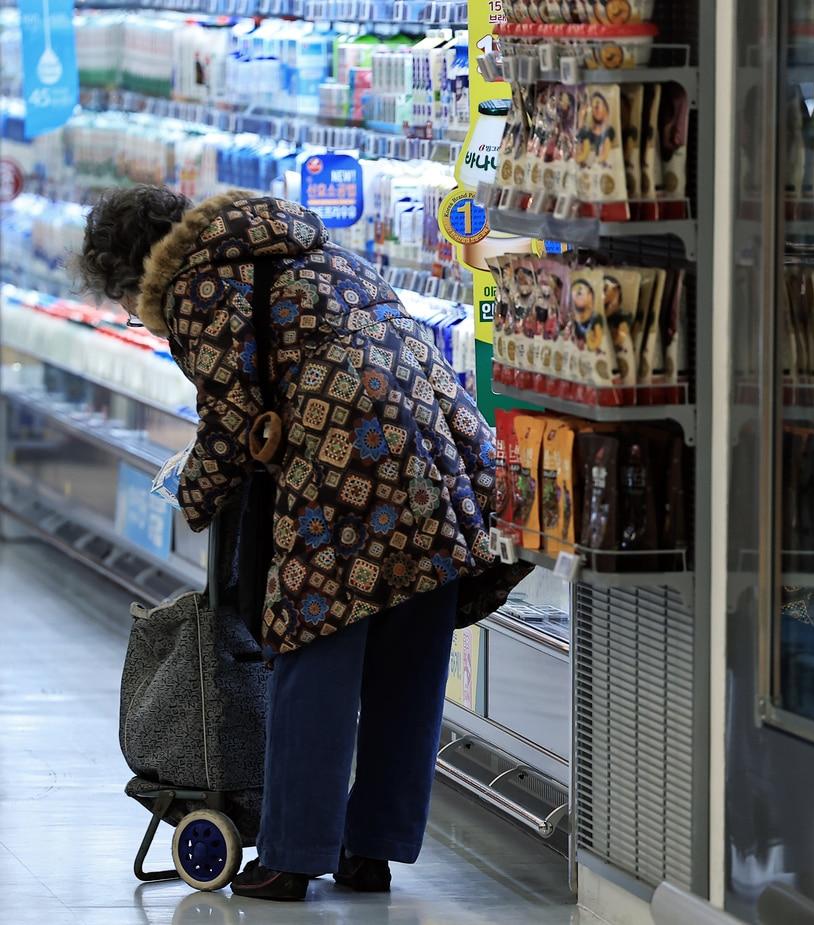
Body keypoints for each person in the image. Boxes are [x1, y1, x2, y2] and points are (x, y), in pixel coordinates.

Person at [76, 186, 531, 901]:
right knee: (409, 653)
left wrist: (192, 493)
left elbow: (232, 419)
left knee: (314, 648)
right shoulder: (301, 245)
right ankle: (371, 848)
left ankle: (291, 856)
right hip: (437, 450)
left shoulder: (197, 282)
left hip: (347, 461)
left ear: (135, 273)